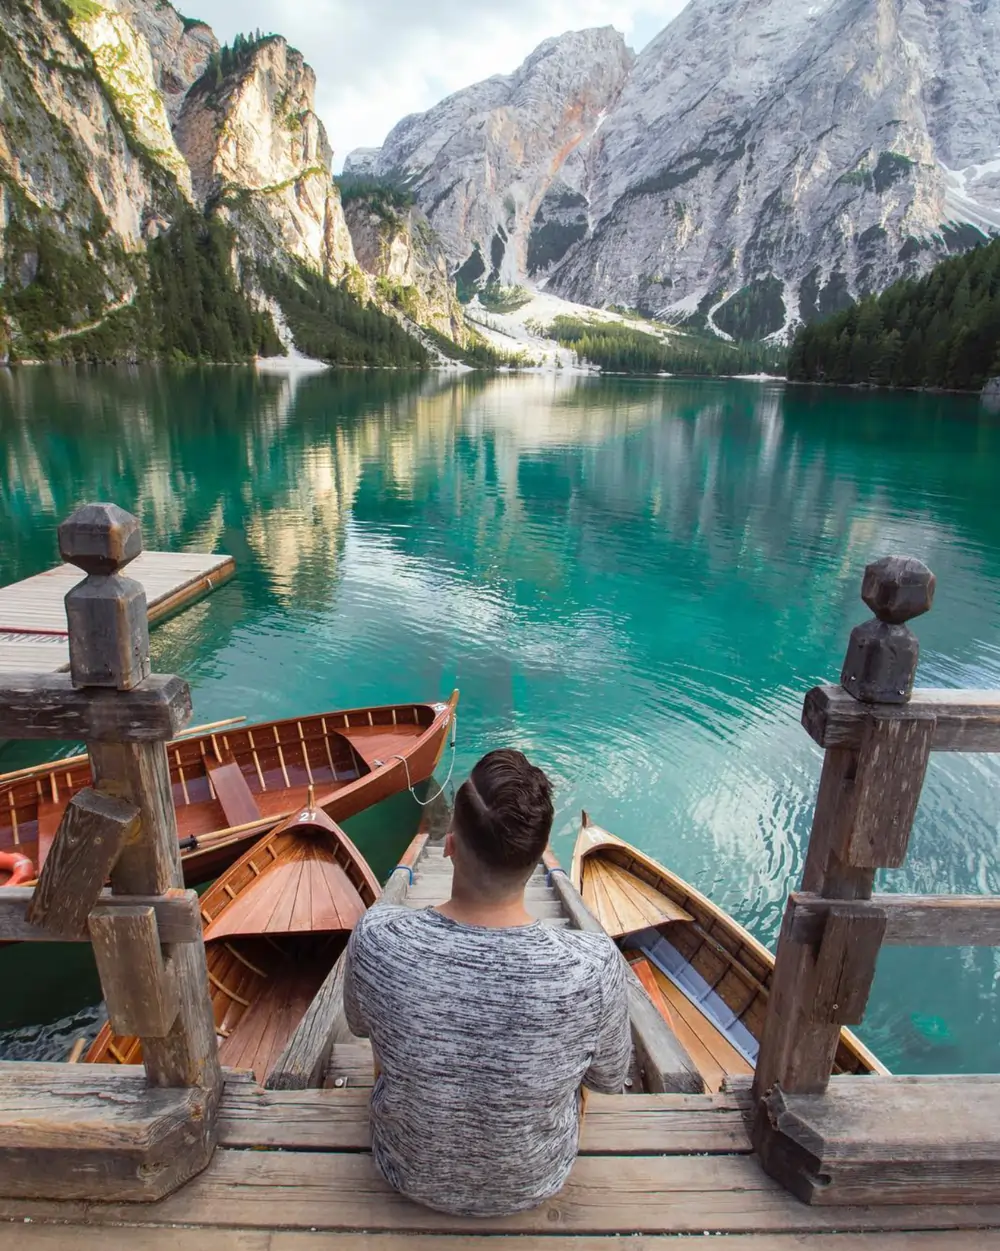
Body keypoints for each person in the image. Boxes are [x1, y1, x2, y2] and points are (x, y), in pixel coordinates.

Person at [343, 748, 631, 1218]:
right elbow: (608, 1079)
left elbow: (358, 1026)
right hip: (536, 1180)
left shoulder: (378, 938)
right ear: (539, 859)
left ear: (450, 846)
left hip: (405, 1167)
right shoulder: (593, 967)